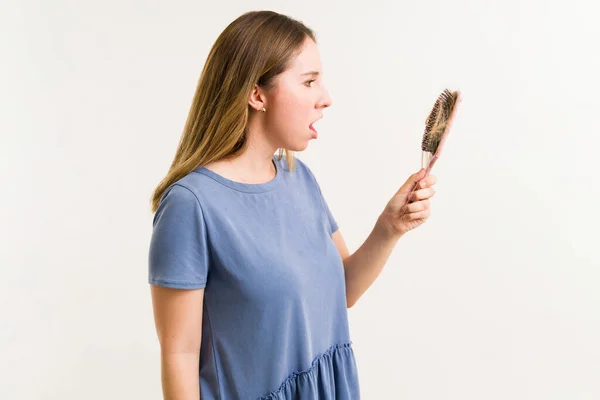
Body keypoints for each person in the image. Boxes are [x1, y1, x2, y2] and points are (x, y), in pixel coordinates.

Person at [148, 10, 437, 400]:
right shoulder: (191, 206)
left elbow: (342, 291)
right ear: (257, 94)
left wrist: (390, 228)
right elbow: (179, 355)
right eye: (309, 82)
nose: (326, 99)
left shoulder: (297, 177)